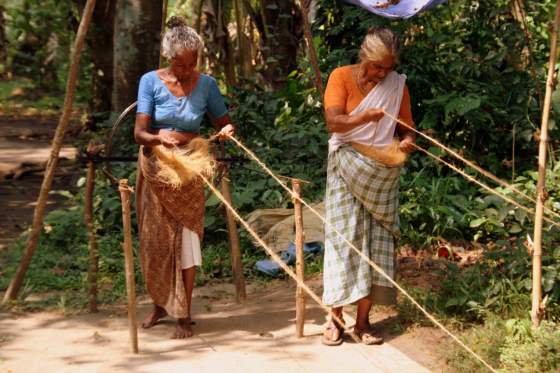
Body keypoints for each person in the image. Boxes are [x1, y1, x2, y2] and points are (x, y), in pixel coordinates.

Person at [134, 16, 234, 338]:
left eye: (193, 63)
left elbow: (223, 121)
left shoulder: (207, 85)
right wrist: (157, 138)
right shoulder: (149, 81)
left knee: (187, 243)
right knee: (155, 242)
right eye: (182, 64)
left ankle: (183, 313)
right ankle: (160, 304)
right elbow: (139, 132)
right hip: (156, 170)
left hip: (190, 171)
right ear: (169, 58)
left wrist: (227, 130)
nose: (188, 70)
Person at [321, 27, 415, 345]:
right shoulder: (341, 77)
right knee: (342, 239)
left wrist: (406, 144)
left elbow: (407, 129)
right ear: (365, 58)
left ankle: (363, 322)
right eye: (377, 66)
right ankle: (334, 319)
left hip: (381, 175)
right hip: (345, 168)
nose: (382, 74)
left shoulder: (397, 85)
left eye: (388, 68)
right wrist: (365, 118)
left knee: (376, 244)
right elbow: (334, 122)